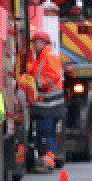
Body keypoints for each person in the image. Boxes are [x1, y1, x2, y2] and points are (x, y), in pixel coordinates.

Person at [27, 30, 65, 171]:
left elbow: (52, 76)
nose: (33, 45)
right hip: (49, 104)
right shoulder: (43, 56)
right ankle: (48, 160)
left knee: (45, 133)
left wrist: (38, 84)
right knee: (47, 132)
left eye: (35, 42)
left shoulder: (48, 56)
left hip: (50, 104)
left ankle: (48, 162)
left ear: (42, 42)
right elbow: (37, 72)